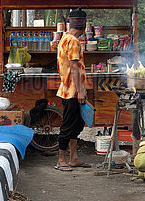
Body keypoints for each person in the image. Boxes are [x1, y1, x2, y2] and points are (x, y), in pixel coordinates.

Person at [55, 9, 90, 171]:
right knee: (68, 126)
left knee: (76, 126)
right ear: (82, 28)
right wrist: (80, 91)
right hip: (72, 92)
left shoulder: (64, 38)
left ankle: (74, 158)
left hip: (68, 89)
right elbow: (74, 69)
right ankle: (61, 160)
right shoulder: (74, 41)